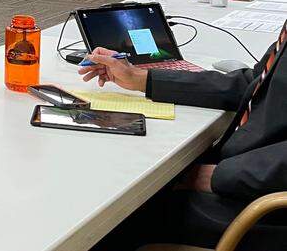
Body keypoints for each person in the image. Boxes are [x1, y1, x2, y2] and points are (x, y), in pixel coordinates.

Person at [82, 38, 287, 250]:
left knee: (114, 213)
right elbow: (256, 83)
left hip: (267, 206)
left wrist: (223, 176)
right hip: (255, 171)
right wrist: (141, 78)